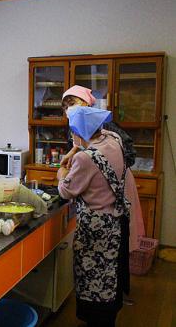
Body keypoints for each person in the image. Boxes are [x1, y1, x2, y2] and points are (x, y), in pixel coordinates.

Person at [57, 107, 130, 327]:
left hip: (95, 227)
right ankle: (107, 319)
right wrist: (76, 149)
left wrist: (62, 171)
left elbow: (65, 191)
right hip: (115, 221)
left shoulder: (86, 159)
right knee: (110, 275)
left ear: (79, 133)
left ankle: (96, 321)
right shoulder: (114, 140)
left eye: (73, 131)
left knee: (92, 278)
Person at [60, 85, 144, 252]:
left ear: (87, 104)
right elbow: (82, 144)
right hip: (93, 176)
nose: (69, 108)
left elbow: (128, 154)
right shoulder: (81, 128)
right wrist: (76, 152)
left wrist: (104, 167)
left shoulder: (107, 126)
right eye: (66, 105)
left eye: (73, 103)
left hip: (114, 182)